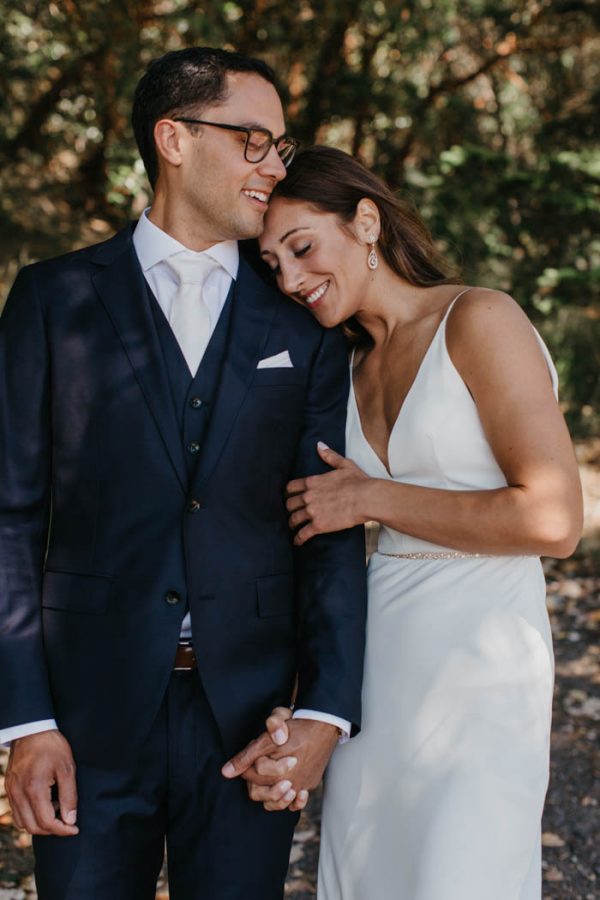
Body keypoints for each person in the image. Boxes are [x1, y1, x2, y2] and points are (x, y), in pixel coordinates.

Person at [0, 55, 367, 900]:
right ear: (174, 138)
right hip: (85, 718)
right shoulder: (53, 300)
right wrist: (27, 723)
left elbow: (329, 521)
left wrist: (325, 710)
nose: (275, 166)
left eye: (281, 146)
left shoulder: (305, 325)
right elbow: (11, 515)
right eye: (255, 141)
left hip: (251, 721)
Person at [227, 145, 583, 899]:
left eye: (301, 247)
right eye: (272, 264)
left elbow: (554, 519)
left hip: (481, 661)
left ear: (365, 220)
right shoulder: (341, 364)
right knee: (368, 871)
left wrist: (370, 500)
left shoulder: (479, 318)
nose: (289, 279)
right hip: (374, 661)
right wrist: (309, 691)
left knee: (461, 872)